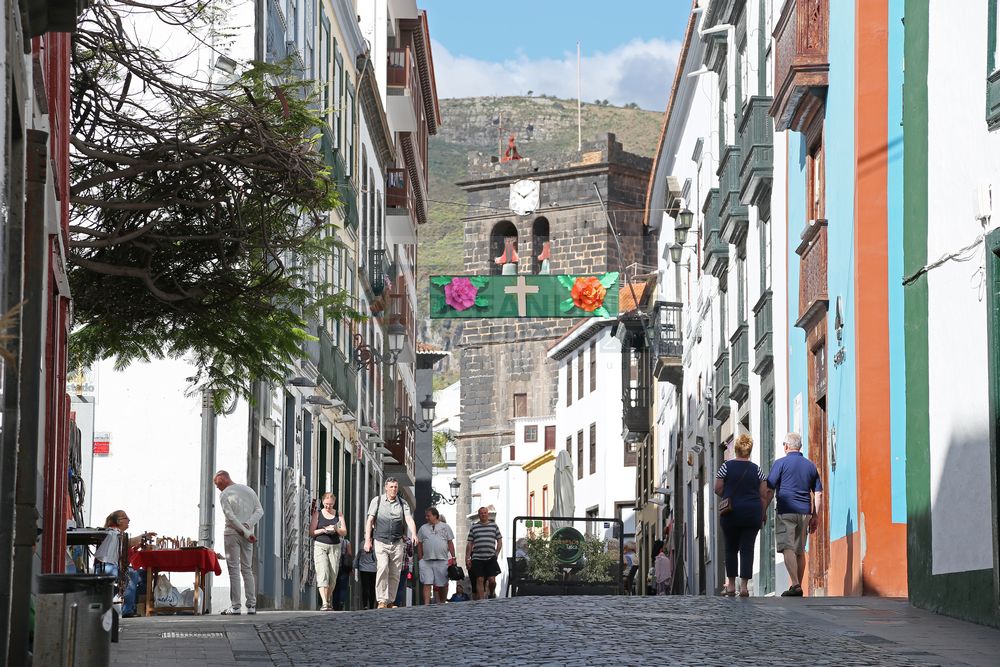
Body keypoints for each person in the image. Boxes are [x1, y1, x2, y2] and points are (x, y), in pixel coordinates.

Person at [764, 432, 823, 597]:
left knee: (787, 547)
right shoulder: (810, 466)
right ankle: (797, 586)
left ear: (786, 446)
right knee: (799, 550)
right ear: (800, 447)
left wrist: (763, 509)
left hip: (786, 511)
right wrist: (815, 516)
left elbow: (769, 489)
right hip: (805, 512)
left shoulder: (780, 464)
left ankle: (795, 584)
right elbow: (818, 494)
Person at [715, 433, 768, 597]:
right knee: (747, 548)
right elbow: (764, 494)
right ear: (749, 451)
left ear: (736, 450)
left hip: (730, 513)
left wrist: (729, 494)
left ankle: (731, 585)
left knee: (731, 547)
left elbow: (717, 488)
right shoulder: (757, 470)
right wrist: (763, 512)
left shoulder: (726, 467)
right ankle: (744, 587)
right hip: (752, 513)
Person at [213, 470, 264, 615]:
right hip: (248, 534)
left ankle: (235, 606)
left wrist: (243, 529)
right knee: (247, 568)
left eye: (217, 484)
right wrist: (248, 525)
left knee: (234, 569)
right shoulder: (248, 490)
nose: (217, 487)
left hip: (232, 533)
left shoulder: (225, 495)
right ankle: (251, 605)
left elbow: (230, 517)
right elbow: (259, 511)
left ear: (223, 479)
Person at [364, 477, 418, 609]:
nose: (394, 489)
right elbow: (370, 521)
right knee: (382, 568)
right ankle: (381, 600)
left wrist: (414, 533)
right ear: (386, 488)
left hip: (397, 542)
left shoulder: (403, 503)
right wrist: (367, 540)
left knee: (395, 572)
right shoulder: (377, 501)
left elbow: (409, 519)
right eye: (391, 487)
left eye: (395, 487)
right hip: (380, 541)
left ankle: (390, 601)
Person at [95, 510, 155, 617]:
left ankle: (135, 605)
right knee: (132, 574)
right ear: (118, 521)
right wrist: (142, 536)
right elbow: (126, 542)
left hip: (115, 567)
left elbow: (127, 555)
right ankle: (127, 609)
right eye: (126, 518)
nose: (129, 520)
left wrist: (138, 545)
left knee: (144, 575)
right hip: (105, 567)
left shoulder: (120, 534)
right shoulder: (113, 531)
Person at [311, 492, 346, 611]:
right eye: (326, 504)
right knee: (323, 572)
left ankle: (328, 598)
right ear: (322, 502)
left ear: (334, 503)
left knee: (333, 575)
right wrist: (323, 530)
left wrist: (335, 528)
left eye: (330, 504)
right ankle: (324, 602)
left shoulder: (338, 514)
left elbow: (344, 532)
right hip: (320, 545)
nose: (328, 506)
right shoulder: (318, 514)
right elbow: (312, 532)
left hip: (335, 546)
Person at [416, 507, 456, 605]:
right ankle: (426, 604)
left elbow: (450, 543)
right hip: (426, 560)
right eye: (426, 516)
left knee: (442, 584)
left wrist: (454, 557)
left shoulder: (445, 527)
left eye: (428, 516)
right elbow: (420, 544)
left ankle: (442, 602)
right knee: (427, 583)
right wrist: (420, 558)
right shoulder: (423, 528)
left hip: (442, 560)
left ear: (435, 516)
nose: (426, 518)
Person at [466, 506, 503, 600]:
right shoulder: (474, 527)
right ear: (479, 515)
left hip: (491, 557)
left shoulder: (494, 526)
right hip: (477, 557)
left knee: (492, 580)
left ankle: (491, 593)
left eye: (485, 513)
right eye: (481, 513)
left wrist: (497, 553)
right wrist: (467, 558)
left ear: (487, 514)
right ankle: (482, 601)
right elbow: (470, 543)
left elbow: (499, 540)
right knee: (480, 579)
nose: (483, 515)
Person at [355, 541, 377, 610]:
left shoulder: (362, 543)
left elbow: (358, 555)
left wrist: (355, 565)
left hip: (363, 568)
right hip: (373, 569)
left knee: (365, 588)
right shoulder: (376, 544)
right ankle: (371, 605)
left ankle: (365, 605)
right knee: (372, 588)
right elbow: (376, 558)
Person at [332, 537, 353, 611]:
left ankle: (335, 605)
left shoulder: (332, 540)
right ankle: (341, 603)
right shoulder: (346, 542)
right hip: (344, 567)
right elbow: (349, 554)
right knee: (343, 587)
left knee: (335, 587)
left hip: (334, 566)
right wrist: (350, 569)